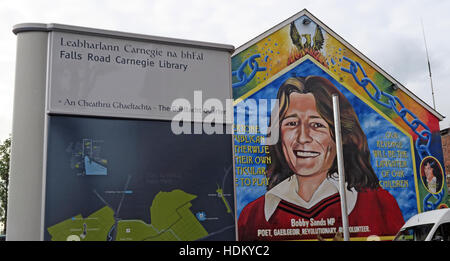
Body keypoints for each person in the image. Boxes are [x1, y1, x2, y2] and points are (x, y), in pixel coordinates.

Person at [238, 76, 404, 241]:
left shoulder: (379, 205)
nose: (303, 138)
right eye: (291, 123)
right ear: (278, 134)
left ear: (341, 135)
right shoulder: (252, 215)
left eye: (317, 125)